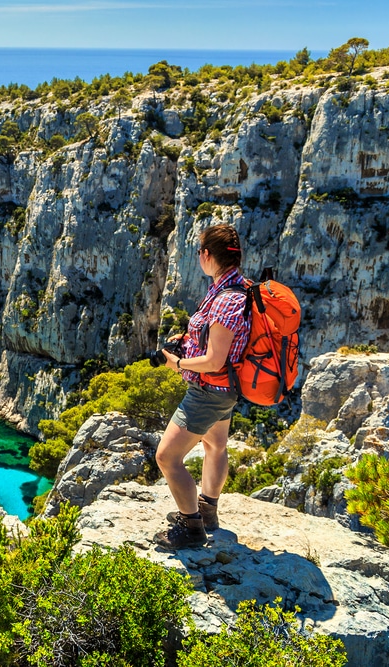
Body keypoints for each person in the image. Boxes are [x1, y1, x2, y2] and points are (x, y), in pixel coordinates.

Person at [153, 224, 250, 550]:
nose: (198, 257)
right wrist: (187, 341)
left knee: (167, 457)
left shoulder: (227, 300)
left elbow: (214, 360)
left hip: (208, 390)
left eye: (199, 252)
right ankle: (207, 510)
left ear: (207, 255)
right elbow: (217, 339)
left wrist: (176, 363)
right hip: (225, 391)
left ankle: (191, 526)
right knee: (215, 445)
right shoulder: (236, 287)